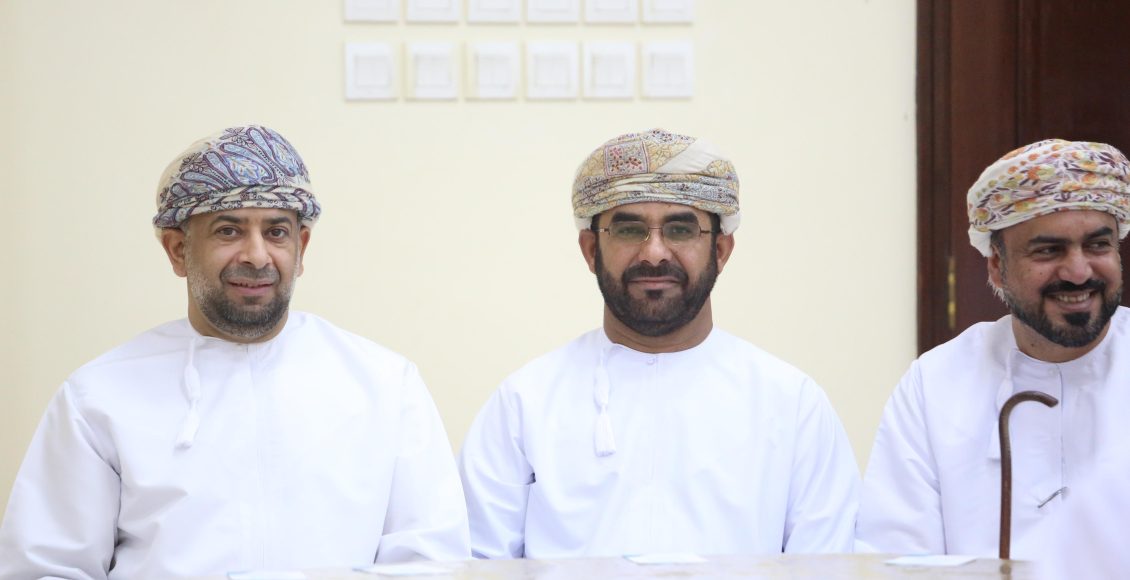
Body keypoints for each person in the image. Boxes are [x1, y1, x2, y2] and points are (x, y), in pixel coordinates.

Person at [0, 125, 470, 578]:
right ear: (178, 250)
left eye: (277, 232)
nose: (257, 256)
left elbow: (430, 564)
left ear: (302, 247)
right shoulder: (99, 396)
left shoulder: (384, 385)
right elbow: (47, 570)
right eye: (229, 231)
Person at [458, 128, 859, 559]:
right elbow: (477, 566)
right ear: (591, 250)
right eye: (629, 230)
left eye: (680, 229)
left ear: (720, 250)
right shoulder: (526, 402)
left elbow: (826, 567)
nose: (654, 253)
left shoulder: (791, 405)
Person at [856, 139, 1130, 558]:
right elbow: (897, 558)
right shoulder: (937, 383)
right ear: (997, 267)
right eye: (1048, 250)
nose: (1078, 272)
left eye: (1097, 245)